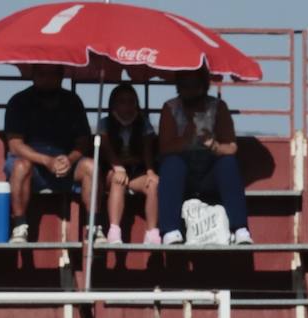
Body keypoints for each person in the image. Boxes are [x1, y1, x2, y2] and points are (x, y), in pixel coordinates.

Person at [157, 68, 251, 246]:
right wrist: (185, 139)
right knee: (171, 164)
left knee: (228, 164)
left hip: (210, 171)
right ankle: (170, 230)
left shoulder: (218, 107)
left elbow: (231, 147)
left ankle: (240, 229)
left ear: (203, 85)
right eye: (186, 85)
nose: (191, 90)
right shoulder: (171, 108)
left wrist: (213, 145)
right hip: (183, 173)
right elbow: (164, 148)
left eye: (195, 85)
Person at [3, 65, 95, 245]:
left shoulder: (72, 101)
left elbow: (83, 141)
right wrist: (47, 161)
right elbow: (15, 145)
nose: (47, 79)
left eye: (53, 74)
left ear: (61, 76)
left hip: (66, 164)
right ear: (33, 75)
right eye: (42, 74)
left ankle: (94, 226)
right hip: (33, 166)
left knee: (91, 167)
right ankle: (19, 226)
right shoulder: (19, 101)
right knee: (20, 166)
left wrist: (69, 159)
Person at [98, 83, 161, 247]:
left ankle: (152, 232)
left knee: (153, 184)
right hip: (111, 171)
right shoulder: (105, 123)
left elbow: (148, 151)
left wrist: (150, 171)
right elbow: (107, 150)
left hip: (135, 173)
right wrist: (118, 167)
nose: (127, 106)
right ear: (114, 104)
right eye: (122, 102)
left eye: (131, 101)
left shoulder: (143, 123)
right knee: (119, 180)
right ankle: (114, 230)